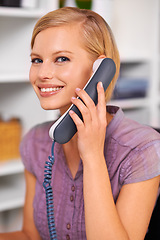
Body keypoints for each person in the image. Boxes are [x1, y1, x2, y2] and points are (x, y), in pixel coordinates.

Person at [0, 6, 160, 240]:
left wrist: (93, 155)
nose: (42, 73)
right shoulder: (35, 142)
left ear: (100, 70)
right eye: (36, 60)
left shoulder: (143, 150)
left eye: (61, 58)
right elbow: (30, 235)